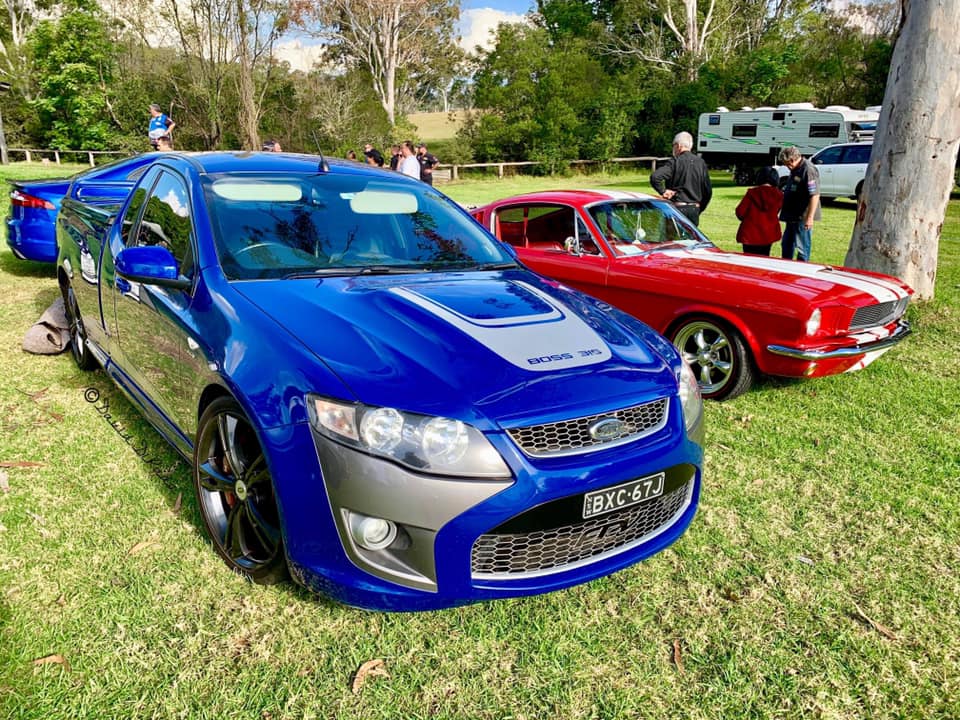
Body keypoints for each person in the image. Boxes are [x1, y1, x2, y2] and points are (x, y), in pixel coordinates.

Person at [650, 131, 712, 226]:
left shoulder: (675, 162)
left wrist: (663, 191)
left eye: (673, 145)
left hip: (676, 208)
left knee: (673, 239)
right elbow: (707, 191)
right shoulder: (701, 163)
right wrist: (699, 209)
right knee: (691, 240)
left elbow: (655, 177)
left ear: (678, 146)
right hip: (694, 209)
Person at [777, 146, 821, 261]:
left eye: (787, 164)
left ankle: (801, 271)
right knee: (786, 244)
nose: (787, 167)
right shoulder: (795, 169)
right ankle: (786, 268)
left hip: (802, 217)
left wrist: (810, 218)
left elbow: (815, 194)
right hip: (791, 215)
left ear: (792, 160)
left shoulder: (808, 169)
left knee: (802, 248)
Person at [735, 167, 784, 256]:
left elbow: (740, 212)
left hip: (750, 233)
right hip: (768, 233)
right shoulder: (779, 195)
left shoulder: (752, 193)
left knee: (749, 260)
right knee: (764, 258)